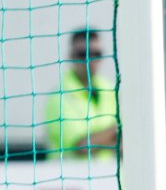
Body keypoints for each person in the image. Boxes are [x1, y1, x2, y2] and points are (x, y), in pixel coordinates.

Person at [43, 28, 118, 160]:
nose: (90, 60)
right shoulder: (59, 97)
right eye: (83, 54)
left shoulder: (110, 90)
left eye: (96, 54)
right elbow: (81, 147)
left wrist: (100, 140)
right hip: (70, 178)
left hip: (110, 177)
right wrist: (115, 131)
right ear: (71, 57)